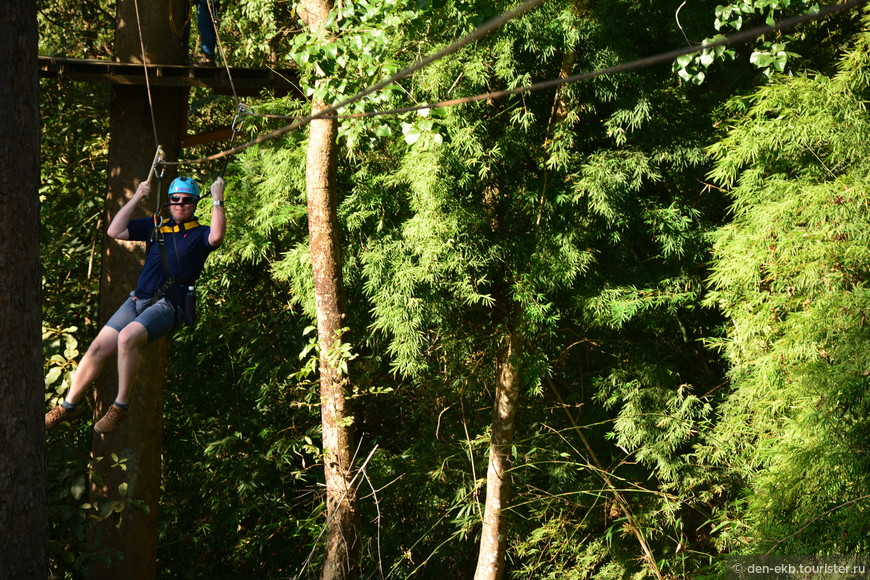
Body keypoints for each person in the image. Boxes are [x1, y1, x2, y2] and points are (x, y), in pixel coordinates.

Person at [45, 175, 227, 434]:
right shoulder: (156, 226)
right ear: (169, 201)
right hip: (138, 299)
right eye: (175, 199)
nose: (180, 204)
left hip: (170, 304)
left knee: (127, 338)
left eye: (187, 201)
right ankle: (68, 407)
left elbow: (218, 236)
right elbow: (114, 231)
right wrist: (137, 196)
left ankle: (120, 406)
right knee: (97, 347)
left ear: (195, 204)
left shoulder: (200, 234)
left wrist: (218, 197)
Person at [194, 0, 220, 64]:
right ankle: (209, 55)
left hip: (206, 3)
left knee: (206, 28)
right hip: (211, 4)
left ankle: (207, 55)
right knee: (209, 28)